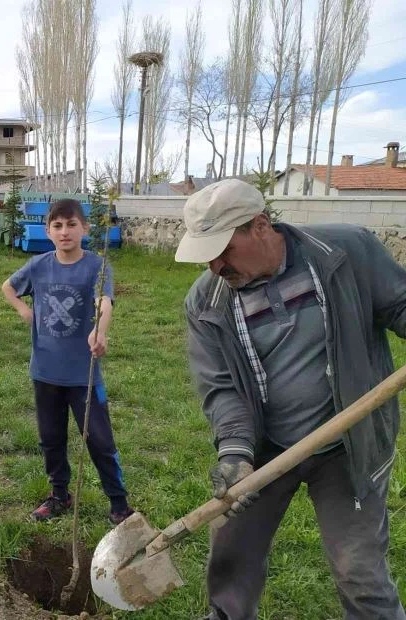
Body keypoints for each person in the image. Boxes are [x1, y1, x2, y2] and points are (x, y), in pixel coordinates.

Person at [175, 178, 406, 620]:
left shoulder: (346, 253)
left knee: (360, 573)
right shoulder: (207, 303)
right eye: (207, 255)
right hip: (263, 448)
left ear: (260, 226)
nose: (214, 266)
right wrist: (236, 453)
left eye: (223, 250)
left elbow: (400, 303)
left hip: (348, 445)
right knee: (231, 563)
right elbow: (221, 386)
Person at [1, 199, 133, 525]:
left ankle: (119, 504)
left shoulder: (97, 267)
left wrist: (100, 332)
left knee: (99, 440)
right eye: (57, 226)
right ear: (47, 231)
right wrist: (23, 310)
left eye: (72, 224)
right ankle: (59, 494)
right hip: (45, 371)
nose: (65, 232)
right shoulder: (38, 266)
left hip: (82, 374)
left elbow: (104, 302)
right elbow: (8, 287)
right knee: (51, 438)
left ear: (84, 229)